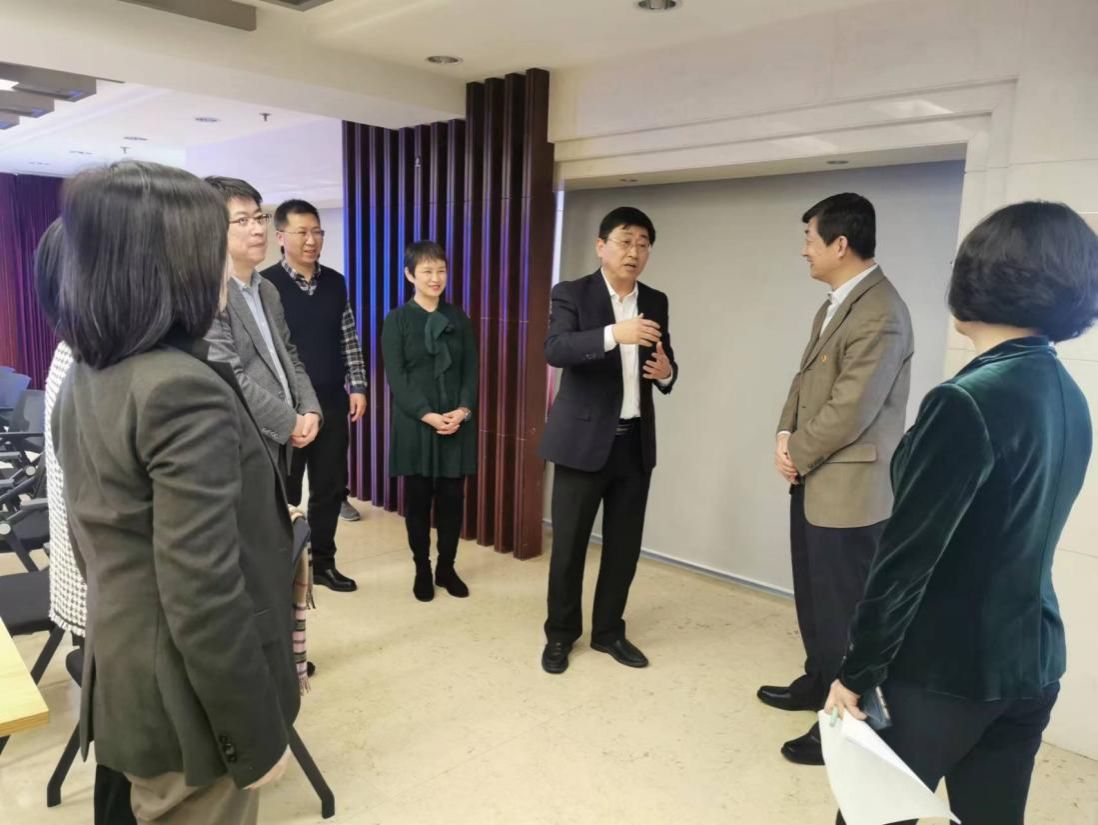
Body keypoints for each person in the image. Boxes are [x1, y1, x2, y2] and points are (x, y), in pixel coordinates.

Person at [825, 201, 1098, 825]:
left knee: (869, 817)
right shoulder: (1068, 394)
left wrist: (856, 673)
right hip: (1032, 662)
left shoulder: (965, 401)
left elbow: (904, 565)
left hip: (945, 672)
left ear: (981, 276)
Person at [51, 160, 299, 825]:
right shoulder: (179, 388)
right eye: (211, 247)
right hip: (189, 700)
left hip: (126, 668)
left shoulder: (88, 371)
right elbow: (204, 591)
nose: (223, 265)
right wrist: (254, 735)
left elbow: (89, 541)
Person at [758, 193, 913, 765]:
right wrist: (784, 434)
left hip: (849, 491)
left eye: (809, 239)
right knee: (815, 597)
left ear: (840, 244)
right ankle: (817, 681)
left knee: (845, 612)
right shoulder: (836, 304)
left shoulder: (881, 312)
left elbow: (852, 408)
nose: (804, 250)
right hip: (814, 476)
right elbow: (805, 382)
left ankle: (845, 729)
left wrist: (797, 451)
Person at [539, 206, 678, 675]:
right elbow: (556, 349)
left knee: (624, 547)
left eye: (643, 243)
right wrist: (613, 334)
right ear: (602, 246)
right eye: (624, 241)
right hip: (581, 443)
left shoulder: (655, 300)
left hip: (633, 444)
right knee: (569, 547)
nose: (634, 251)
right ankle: (560, 634)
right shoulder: (572, 293)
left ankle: (609, 632)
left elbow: (665, 359)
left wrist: (667, 372)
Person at [35, 220, 136, 825]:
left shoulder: (81, 353)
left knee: (122, 746)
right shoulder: (98, 367)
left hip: (98, 581)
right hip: (111, 588)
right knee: (126, 751)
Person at [261, 199, 367, 593]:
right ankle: (285, 566)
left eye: (317, 231)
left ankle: (323, 562)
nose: (311, 240)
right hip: (286, 408)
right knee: (285, 491)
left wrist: (358, 385)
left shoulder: (335, 282)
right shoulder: (265, 285)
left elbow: (348, 336)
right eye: (302, 232)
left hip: (332, 400)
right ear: (281, 237)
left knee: (329, 486)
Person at [203, 177, 323, 484]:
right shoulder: (208, 295)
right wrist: (291, 422)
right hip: (239, 446)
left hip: (278, 442)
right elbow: (230, 378)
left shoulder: (267, 289)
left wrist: (310, 409)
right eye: (242, 220)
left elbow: (289, 355)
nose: (258, 229)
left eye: (259, 218)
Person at [381, 241, 477, 602]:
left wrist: (463, 409)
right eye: (427, 271)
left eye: (441, 270)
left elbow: (471, 370)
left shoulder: (458, 317)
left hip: (455, 422)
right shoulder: (397, 320)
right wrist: (428, 415)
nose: (435, 278)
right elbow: (397, 378)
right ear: (410, 275)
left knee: (453, 500)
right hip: (416, 423)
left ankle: (446, 568)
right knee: (418, 501)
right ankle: (422, 568)